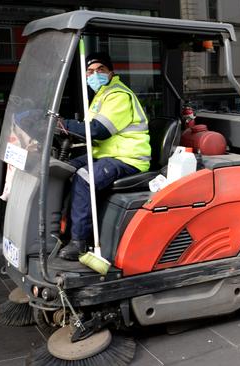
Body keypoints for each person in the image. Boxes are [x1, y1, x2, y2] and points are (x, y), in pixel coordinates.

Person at [58, 52, 151, 260]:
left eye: (100, 70)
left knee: (84, 178)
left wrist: (65, 125)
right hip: (107, 154)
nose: (95, 74)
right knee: (64, 169)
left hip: (128, 158)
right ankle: (62, 230)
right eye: (90, 71)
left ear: (111, 72)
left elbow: (98, 130)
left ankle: (79, 242)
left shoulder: (118, 95)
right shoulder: (101, 95)